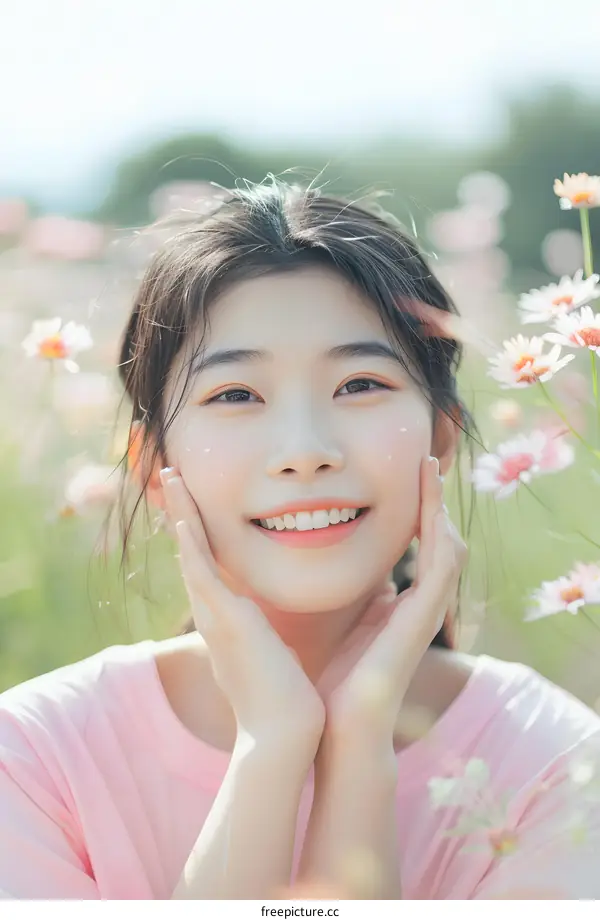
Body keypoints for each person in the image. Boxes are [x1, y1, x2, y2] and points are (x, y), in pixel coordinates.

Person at [1, 179, 599, 901]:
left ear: (440, 440)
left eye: (360, 385)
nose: (305, 450)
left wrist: (360, 753)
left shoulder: (554, 763)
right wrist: (272, 746)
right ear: (155, 468)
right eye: (235, 395)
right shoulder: (33, 761)